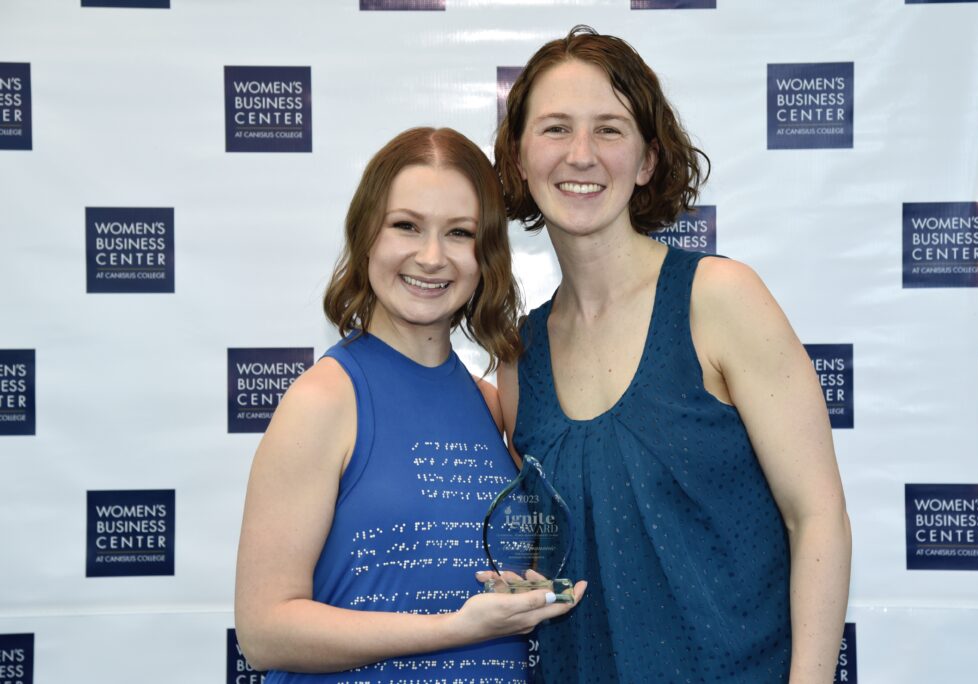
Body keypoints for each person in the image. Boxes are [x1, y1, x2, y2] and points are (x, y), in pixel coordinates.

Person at [493, 26, 852, 683]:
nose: (581, 155)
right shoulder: (520, 355)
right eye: (554, 129)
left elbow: (817, 517)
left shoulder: (718, 299)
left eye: (610, 128)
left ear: (648, 160)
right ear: (519, 157)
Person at [234, 127, 586, 684]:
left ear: (485, 254)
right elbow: (264, 632)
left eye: (459, 233)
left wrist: (532, 596)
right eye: (406, 226)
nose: (431, 257)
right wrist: (457, 629)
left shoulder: (492, 406)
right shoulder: (325, 400)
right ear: (367, 236)